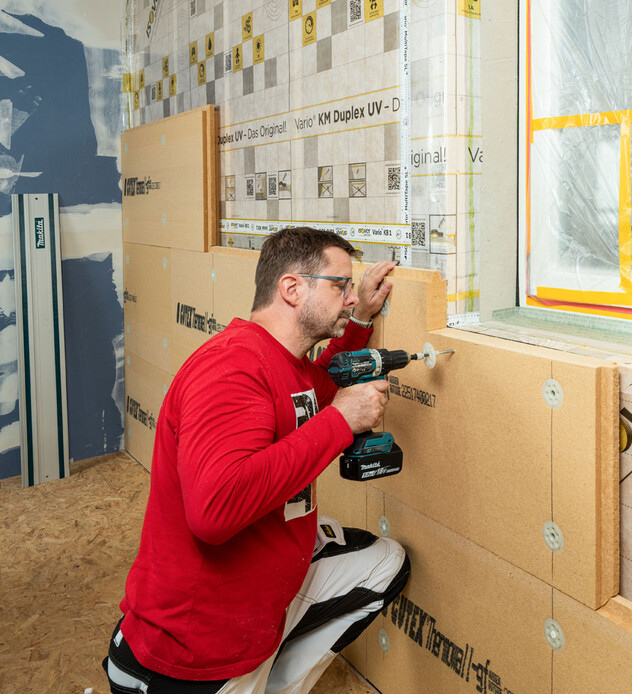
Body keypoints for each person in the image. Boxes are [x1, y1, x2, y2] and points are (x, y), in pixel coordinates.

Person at [103, 227, 410, 693]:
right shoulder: (232, 368)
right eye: (341, 286)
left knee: (383, 561)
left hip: (250, 615)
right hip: (188, 661)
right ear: (292, 288)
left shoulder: (286, 363)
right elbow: (213, 512)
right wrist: (339, 421)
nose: (350, 298)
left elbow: (322, 386)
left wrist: (362, 318)